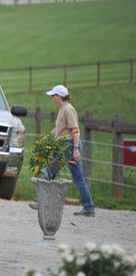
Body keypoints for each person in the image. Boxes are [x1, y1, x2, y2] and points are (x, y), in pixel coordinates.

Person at [41, 85, 95, 217]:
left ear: (59, 96)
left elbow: (75, 130)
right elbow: (59, 130)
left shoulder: (68, 109)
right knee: (78, 178)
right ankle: (88, 207)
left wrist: (76, 149)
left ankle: (44, 202)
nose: (52, 98)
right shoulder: (62, 109)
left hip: (69, 146)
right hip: (66, 145)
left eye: (53, 95)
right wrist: (45, 139)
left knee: (49, 171)